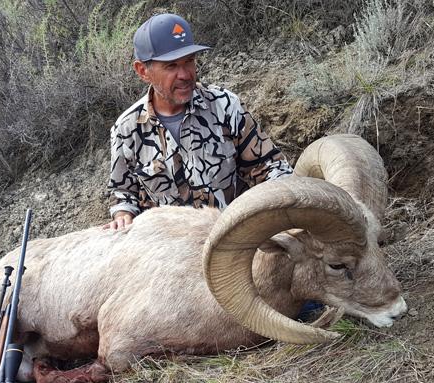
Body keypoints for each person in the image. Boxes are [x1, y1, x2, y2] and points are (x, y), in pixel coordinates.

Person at [105, 13, 293, 230]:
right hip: (172, 251)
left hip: (234, 239)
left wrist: (289, 204)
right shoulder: (127, 129)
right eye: (171, 66)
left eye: (189, 61)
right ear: (143, 71)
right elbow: (124, 193)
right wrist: (123, 213)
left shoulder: (225, 106)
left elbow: (270, 167)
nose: (185, 74)